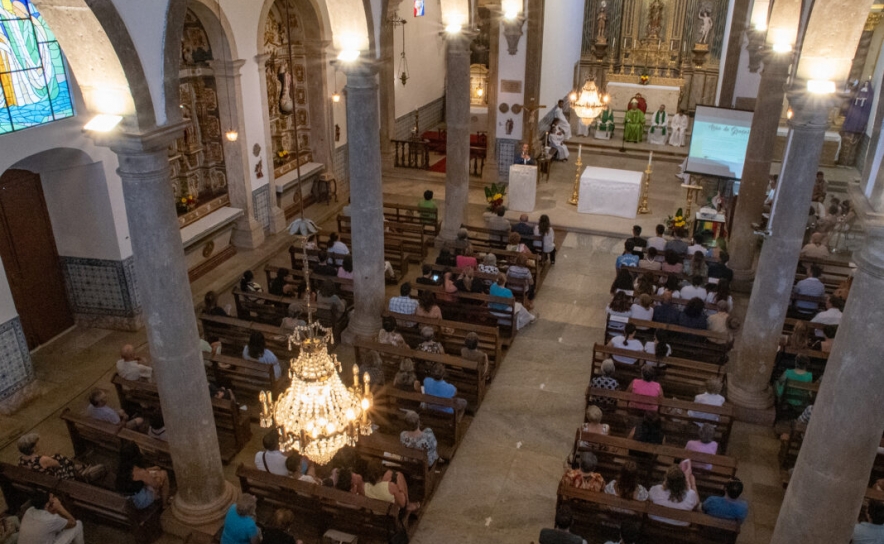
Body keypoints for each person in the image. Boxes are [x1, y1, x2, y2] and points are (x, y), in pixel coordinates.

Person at [18, 433, 104, 483]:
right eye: (37, 443)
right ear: (33, 448)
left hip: (41, 480)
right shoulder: (42, 460)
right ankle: (82, 472)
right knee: (61, 459)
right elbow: (58, 465)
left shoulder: (21, 460)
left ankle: (80, 468)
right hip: (54, 481)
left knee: (56, 457)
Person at [116, 443, 170, 510]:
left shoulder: (123, 467)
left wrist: (150, 470)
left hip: (130, 494)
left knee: (155, 471)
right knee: (163, 474)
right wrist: (157, 478)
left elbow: (138, 475)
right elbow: (156, 485)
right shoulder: (141, 472)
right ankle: (164, 504)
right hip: (141, 501)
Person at [18, 492, 84, 544]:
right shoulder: (51, 519)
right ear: (46, 504)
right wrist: (60, 507)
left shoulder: (29, 511)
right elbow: (73, 523)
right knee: (78, 524)